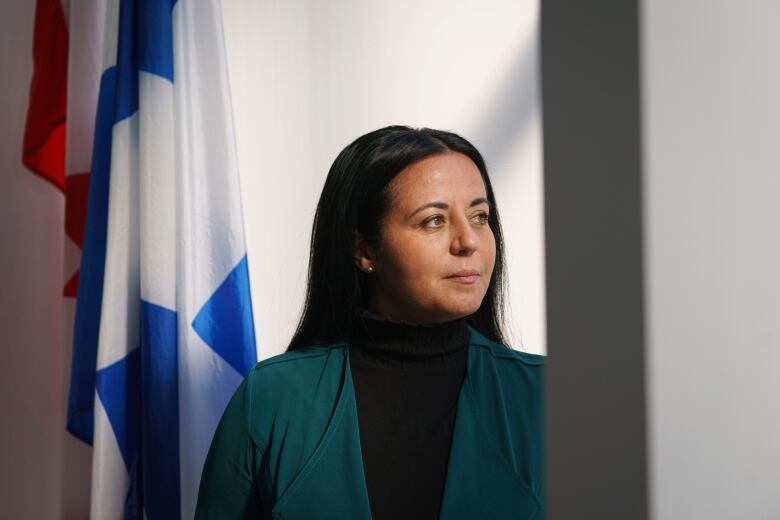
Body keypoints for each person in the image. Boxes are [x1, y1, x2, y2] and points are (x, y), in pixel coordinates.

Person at [194, 126, 545, 519]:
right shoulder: (272, 399)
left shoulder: (548, 398)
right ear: (363, 250)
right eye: (433, 221)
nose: (469, 241)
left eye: (480, 216)